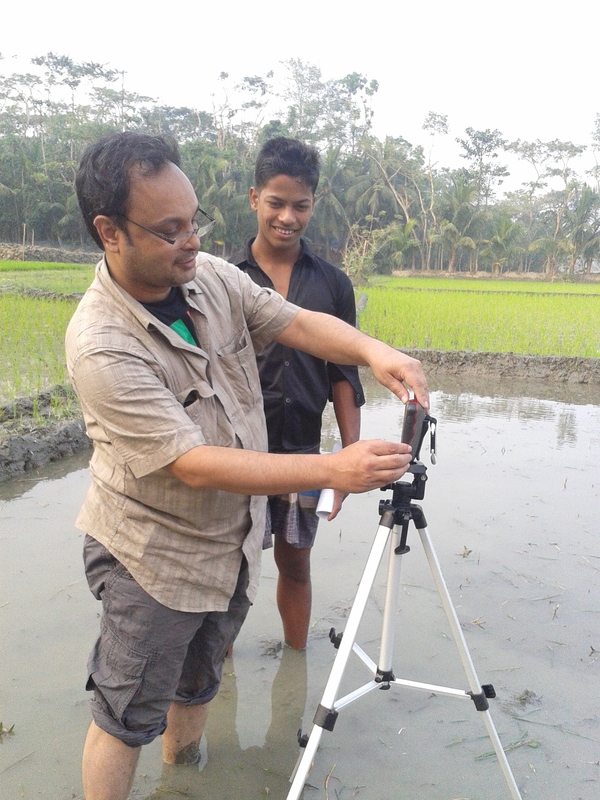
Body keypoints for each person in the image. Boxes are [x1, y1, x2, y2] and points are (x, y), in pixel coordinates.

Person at [66, 131, 428, 800]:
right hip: (154, 558)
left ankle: (184, 776)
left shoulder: (209, 279)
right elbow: (194, 464)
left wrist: (378, 352)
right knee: (123, 717)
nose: (191, 240)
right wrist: (330, 469)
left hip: (230, 541)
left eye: (194, 220)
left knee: (198, 681)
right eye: (169, 229)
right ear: (109, 231)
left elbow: (292, 320)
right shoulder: (101, 345)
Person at [231, 137, 364, 650]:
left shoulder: (332, 283)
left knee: (296, 563)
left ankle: (296, 660)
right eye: (276, 203)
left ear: (313, 204)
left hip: (303, 451)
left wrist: (349, 457)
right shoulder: (225, 279)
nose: (288, 217)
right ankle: (216, 672)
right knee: (229, 570)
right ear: (254, 199)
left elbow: (343, 374)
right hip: (236, 451)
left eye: (300, 206)